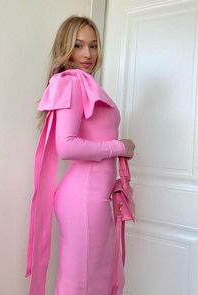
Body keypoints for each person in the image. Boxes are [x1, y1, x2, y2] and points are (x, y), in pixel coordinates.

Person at [25, 15, 135, 295]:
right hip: (84, 199)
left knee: (94, 279)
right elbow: (67, 146)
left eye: (94, 45)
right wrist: (118, 147)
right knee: (80, 284)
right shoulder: (72, 83)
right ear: (66, 47)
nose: (88, 54)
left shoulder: (83, 84)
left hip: (93, 197)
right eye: (79, 45)